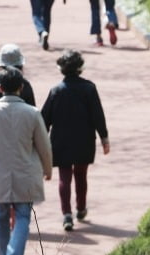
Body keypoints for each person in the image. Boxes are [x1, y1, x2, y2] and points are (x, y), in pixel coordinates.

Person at [0, 66, 52, 255]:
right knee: (23, 217)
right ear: (21, 87)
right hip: (25, 173)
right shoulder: (32, 113)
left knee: (0, 217)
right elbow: (44, 146)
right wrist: (48, 169)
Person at [41, 50, 109, 232]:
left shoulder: (55, 91)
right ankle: (81, 208)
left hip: (60, 140)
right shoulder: (89, 88)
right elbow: (98, 115)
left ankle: (66, 214)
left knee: (64, 177)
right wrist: (104, 137)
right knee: (81, 175)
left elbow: (44, 119)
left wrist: (39, 142)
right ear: (81, 68)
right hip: (84, 139)